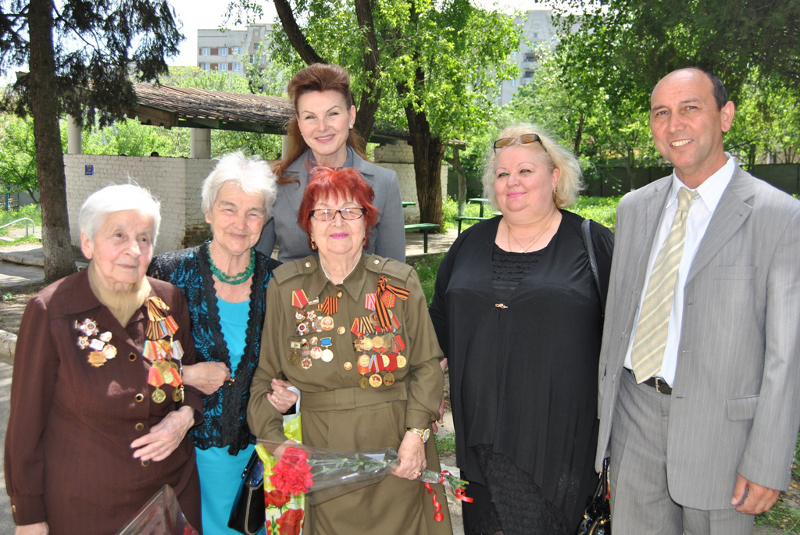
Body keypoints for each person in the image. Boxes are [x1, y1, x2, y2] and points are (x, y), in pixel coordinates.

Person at [595, 67, 800, 535]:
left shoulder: (780, 216)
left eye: (690, 108)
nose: (674, 125)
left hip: (722, 437)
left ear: (725, 116)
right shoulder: (634, 208)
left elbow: (787, 356)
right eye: (661, 113)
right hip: (635, 420)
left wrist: (767, 459)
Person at [429, 124, 614, 535]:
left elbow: (623, 339)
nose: (512, 181)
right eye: (502, 173)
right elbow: (436, 328)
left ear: (555, 177)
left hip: (558, 442)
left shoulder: (592, 243)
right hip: (479, 439)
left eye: (526, 171)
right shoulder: (468, 244)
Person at [248, 166, 452, 534]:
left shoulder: (399, 283)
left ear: (366, 223)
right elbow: (264, 378)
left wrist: (415, 435)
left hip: (398, 449)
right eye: (323, 212)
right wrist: (278, 446)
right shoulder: (286, 288)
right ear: (309, 228)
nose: (337, 221)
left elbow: (426, 366)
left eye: (350, 210)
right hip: (322, 462)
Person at [5, 184, 203, 534]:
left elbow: (191, 380)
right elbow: (25, 424)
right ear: (87, 244)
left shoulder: (170, 300)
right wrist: (29, 516)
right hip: (85, 509)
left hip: (170, 499)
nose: (133, 249)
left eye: (144, 238)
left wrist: (185, 417)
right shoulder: (52, 310)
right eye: (118, 235)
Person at [148, 152, 283, 534]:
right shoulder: (167, 275)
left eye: (253, 213)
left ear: (265, 220)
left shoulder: (281, 283)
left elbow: (298, 362)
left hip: (255, 466)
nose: (240, 223)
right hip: (183, 457)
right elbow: (135, 364)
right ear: (208, 212)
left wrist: (290, 392)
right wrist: (188, 374)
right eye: (228, 208)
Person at [255, 62, 406, 263]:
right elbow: (255, 265)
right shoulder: (275, 183)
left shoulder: (384, 183)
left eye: (332, 114)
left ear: (351, 116)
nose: (322, 127)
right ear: (299, 123)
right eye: (310, 117)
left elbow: (393, 270)